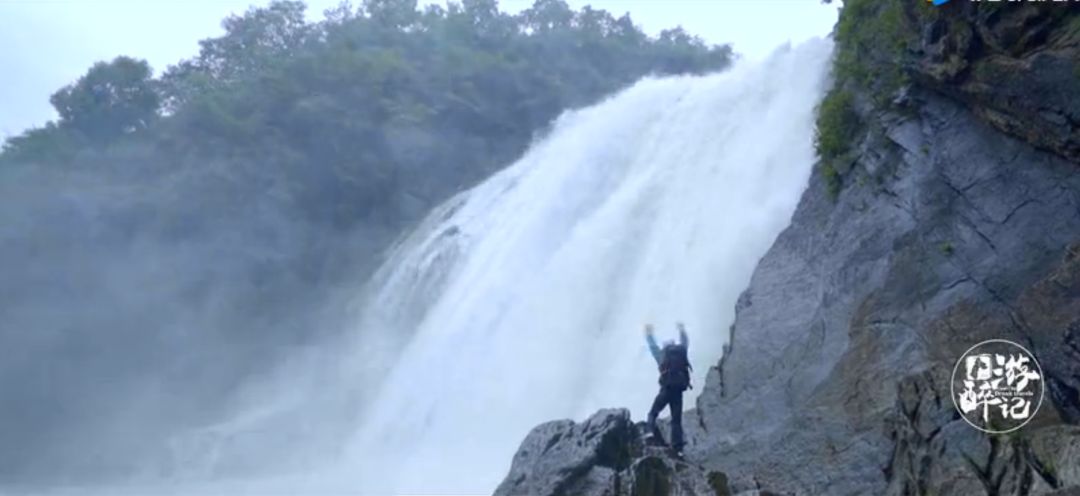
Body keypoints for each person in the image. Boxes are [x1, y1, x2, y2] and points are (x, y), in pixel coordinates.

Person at [644, 322, 692, 455]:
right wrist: (682, 329)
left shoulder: (662, 355)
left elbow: (652, 346)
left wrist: (648, 333)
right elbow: (685, 341)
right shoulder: (681, 351)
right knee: (676, 420)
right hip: (678, 391)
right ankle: (678, 448)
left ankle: (649, 433)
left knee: (653, 412)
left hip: (666, 389)